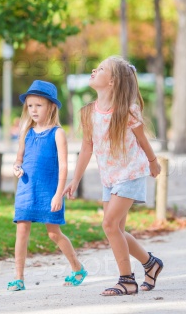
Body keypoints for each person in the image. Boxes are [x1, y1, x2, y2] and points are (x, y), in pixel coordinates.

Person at [63, 56, 164, 296]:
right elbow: (87, 148)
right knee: (116, 228)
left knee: (109, 225)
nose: (93, 70)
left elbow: (142, 140)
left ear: (112, 81)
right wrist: (75, 179)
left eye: (100, 69)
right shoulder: (88, 112)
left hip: (131, 173)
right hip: (109, 177)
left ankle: (127, 280)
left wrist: (153, 161)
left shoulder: (128, 111)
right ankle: (151, 263)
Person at [8, 80, 87, 292]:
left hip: (49, 191)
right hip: (26, 189)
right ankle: (19, 278)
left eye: (38, 105)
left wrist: (58, 194)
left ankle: (77, 268)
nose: (33, 109)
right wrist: (16, 168)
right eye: (30, 105)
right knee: (21, 231)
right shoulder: (26, 132)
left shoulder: (58, 133)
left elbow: (63, 167)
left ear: (51, 106)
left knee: (53, 234)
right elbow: (19, 159)